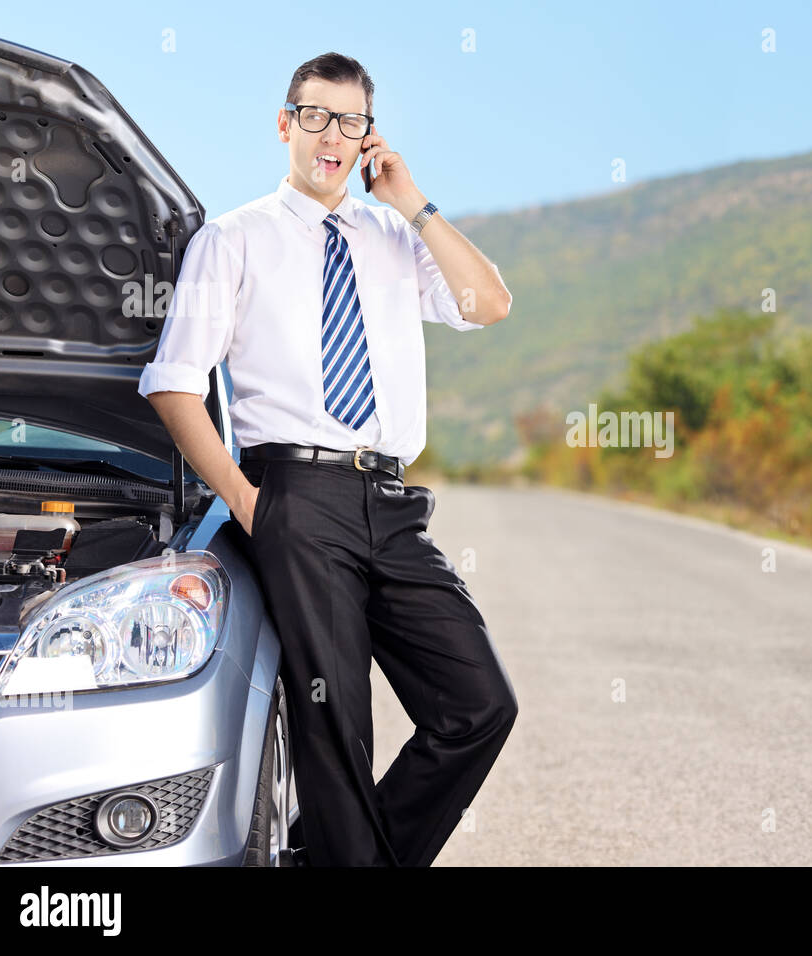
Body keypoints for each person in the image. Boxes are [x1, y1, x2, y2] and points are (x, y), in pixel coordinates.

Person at [137, 51, 517, 866]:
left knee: (479, 705)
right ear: (285, 125)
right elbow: (174, 387)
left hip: (390, 501)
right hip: (295, 495)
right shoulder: (232, 240)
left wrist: (412, 203)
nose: (331, 136)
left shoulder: (393, 237)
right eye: (315, 117)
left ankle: (321, 859)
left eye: (350, 121)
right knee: (336, 724)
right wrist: (247, 503)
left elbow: (489, 304)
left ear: (369, 136)